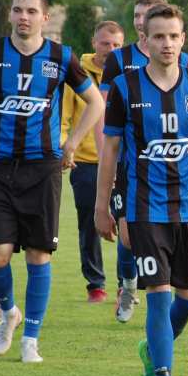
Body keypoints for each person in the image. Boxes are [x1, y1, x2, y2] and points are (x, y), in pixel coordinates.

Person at [0, 0, 104, 363]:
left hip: (43, 168)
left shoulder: (60, 57)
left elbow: (96, 101)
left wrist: (72, 144)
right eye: (18, 10)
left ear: (44, 18)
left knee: (38, 255)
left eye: (31, 11)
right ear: (10, 14)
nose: (24, 17)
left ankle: (30, 337)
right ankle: (9, 312)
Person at [95, 3, 188, 376]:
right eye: (159, 36)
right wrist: (106, 205)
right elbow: (110, 150)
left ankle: (151, 350)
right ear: (145, 42)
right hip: (145, 209)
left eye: (174, 35)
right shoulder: (125, 89)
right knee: (160, 298)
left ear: (183, 39)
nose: (167, 43)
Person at [99, 0, 188, 323]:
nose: (140, 21)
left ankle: (144, 282)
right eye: (137, 15)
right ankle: (128, 284)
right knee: (127, 235)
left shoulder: (184, 62)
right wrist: (106, 159)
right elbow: (104, 111)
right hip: (130, 165)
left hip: (170, 170)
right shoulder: (118, 61)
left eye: (146, 15)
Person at [61, 21, 125, 303]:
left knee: (127, 223)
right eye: (104, 43)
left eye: (116, 45)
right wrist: (66, 146)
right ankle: (96, 284)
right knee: (89, 224)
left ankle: (127, 282)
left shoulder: (128, 74)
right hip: (87, 162)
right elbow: (62, 117)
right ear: (93, 42)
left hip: (123, 162)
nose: (110, 50)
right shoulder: (77, 74)